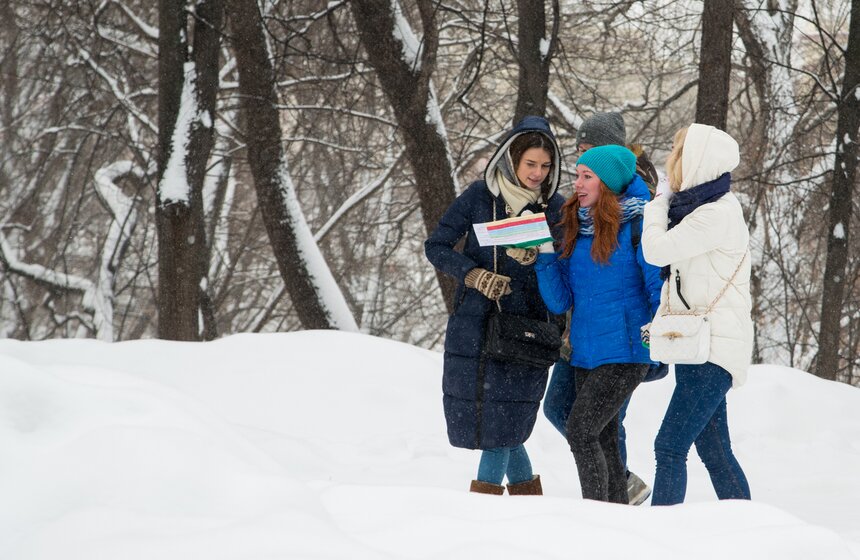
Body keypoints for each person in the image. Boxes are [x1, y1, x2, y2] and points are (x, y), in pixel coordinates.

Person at [424, 116, 565, 496]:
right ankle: (526, 500)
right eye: (530, 164)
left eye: (546, 165)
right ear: (511, 160)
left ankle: (480, 504)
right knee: (498, 422)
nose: (538, 173)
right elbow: (435, 246)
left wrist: (542, 261)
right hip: (476, 327)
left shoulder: (557, 209)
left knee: (506, 422)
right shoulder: (479, 197)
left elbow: (569, 270)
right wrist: (473, 275)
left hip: (529, 331)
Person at [534, 145, 663, 503]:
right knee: (602, 437)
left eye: (586, 176)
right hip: (585, 354)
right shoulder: (576, 224)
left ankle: (595, 516)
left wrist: (658, 340)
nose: (577, 183)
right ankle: (615, 517)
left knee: (580, 430)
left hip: (627, 351)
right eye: (577, 175)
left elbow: (657, 287)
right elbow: (561, 300)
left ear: (607, 182)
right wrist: (544, 255)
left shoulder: (639, 223)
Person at [640, 123, 753, 505]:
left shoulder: (715, 215)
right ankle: (752, 531)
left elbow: (656, 251)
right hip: (697, 346)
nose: (672, 161)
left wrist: (657, 203)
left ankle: (663, 536)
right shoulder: (698, 209)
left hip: (714, 350)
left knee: (668, 446)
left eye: (679, 153)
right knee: (715, 452)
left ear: (699, 162)